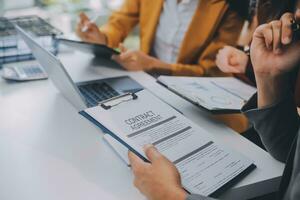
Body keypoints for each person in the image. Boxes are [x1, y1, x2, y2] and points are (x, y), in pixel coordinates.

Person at [127, 9, 300, 200]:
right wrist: (267, 76)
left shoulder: (224, 8)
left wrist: (170, 195)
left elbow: (208, 68)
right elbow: (288, 148)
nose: (296, 12)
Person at [76, 0, 244, 77]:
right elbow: (118, 23)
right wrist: (102, 37)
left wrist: (153, 65)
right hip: (147, 82)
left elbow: (211, 71)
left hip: (195, 96)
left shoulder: (230, 6)